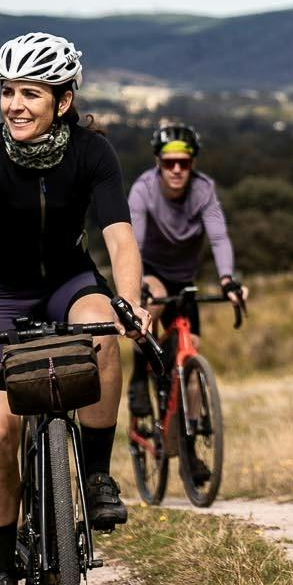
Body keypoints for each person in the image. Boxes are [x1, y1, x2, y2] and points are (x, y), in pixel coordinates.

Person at [0, 32, 147, 585]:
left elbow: (119, 238)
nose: (15, 105)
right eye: (7, 91)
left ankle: (97, 474)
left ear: (63, 100)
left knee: (100, 328)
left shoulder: (93, 152)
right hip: (1, 295)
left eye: (30, 93)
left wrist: (130, 302)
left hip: (68, 281)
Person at [125, 123, 248, 486]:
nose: (177, 170)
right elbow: (133, 243)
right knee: (150, 304)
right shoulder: (143, 190)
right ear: (158, 163)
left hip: (185, 280)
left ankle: (189, 452)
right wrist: (136, 287)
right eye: (169, 163)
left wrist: (227, 280)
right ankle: (138, 378)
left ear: (192, 164)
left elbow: (219, 238)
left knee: (190, 361)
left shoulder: (204, 190)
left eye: (184, 163)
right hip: (150, 272)